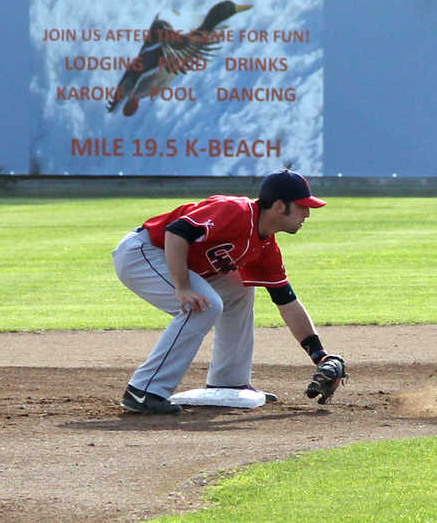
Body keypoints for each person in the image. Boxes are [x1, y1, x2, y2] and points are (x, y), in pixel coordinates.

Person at [112, 169, 346, 415]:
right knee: (204, 306)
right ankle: (144, 391)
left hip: (169, 258)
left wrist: (320, 356)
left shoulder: (265, 246)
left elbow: (287, 302)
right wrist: (182, 287)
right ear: (279, 206)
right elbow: (176, 232)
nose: (307, 214)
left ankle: (229, 382)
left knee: (239, 289)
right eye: (302, 206)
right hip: (143, 253)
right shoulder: (236, 210)